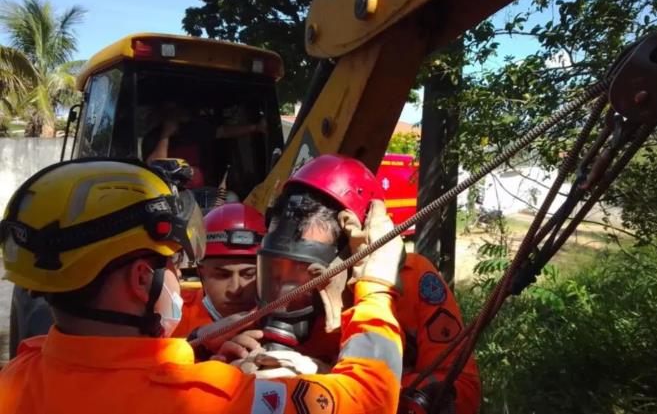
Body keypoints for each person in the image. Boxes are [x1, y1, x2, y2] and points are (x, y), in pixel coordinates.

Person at [0, 158, 404, 414]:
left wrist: (192, 345)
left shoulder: (17, 376)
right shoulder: (212, 400)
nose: (182, 280)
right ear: (143, 279)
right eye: (175, 264)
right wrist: (375, 287)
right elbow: (371, 400)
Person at [217, 155, 481, 414]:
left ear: (357, 250)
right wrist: (226, 362)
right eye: (275, 272)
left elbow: (464, 390)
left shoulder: (415, 280)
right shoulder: (264, 297)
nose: (285, 292)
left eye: (305, 273)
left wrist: (327, 379)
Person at [172, 202, 264, 338]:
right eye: (223, 275)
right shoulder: (171, 317)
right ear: (201, 273)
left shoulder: (282, 315)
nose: (235, 289)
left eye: (249, 274)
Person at [144, 101, 268, 188]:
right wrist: (165, 135)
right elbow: (154, 169)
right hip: (170, 194)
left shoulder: (194, 130)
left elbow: (223, 131)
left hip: (202, 194)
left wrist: (255, 127)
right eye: (174, 110)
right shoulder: (154, 138)